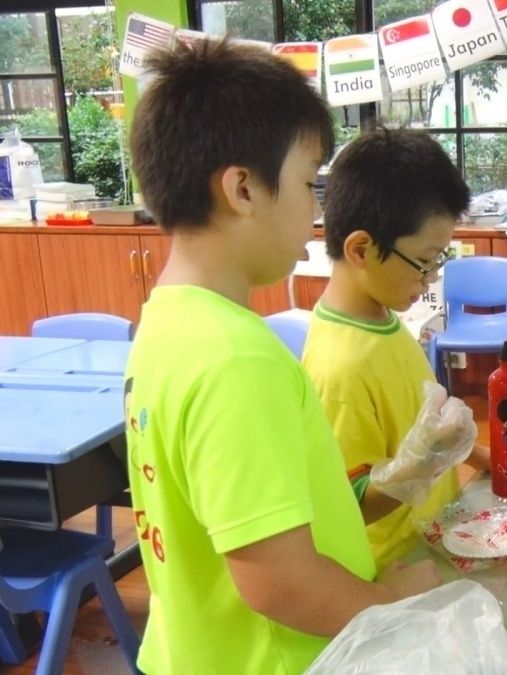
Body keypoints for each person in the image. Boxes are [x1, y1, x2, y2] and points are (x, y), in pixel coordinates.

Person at [123, 41, 441, 674]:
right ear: (242, 188)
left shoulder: (166, 321)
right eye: (307, 183)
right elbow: (280, 583)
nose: (316, 211)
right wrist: (389, 604)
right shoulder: (237, 359)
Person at [302, 127, 489, 567]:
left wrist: (484, 460)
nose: (431, 277)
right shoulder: (340, 367)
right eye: (423, 261)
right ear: (361, 249)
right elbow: (347, 504)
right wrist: (424, 462)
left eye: (438, 260)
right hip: (393, 571)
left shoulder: (383, 319)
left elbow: (417, 431)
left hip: (433, 542)